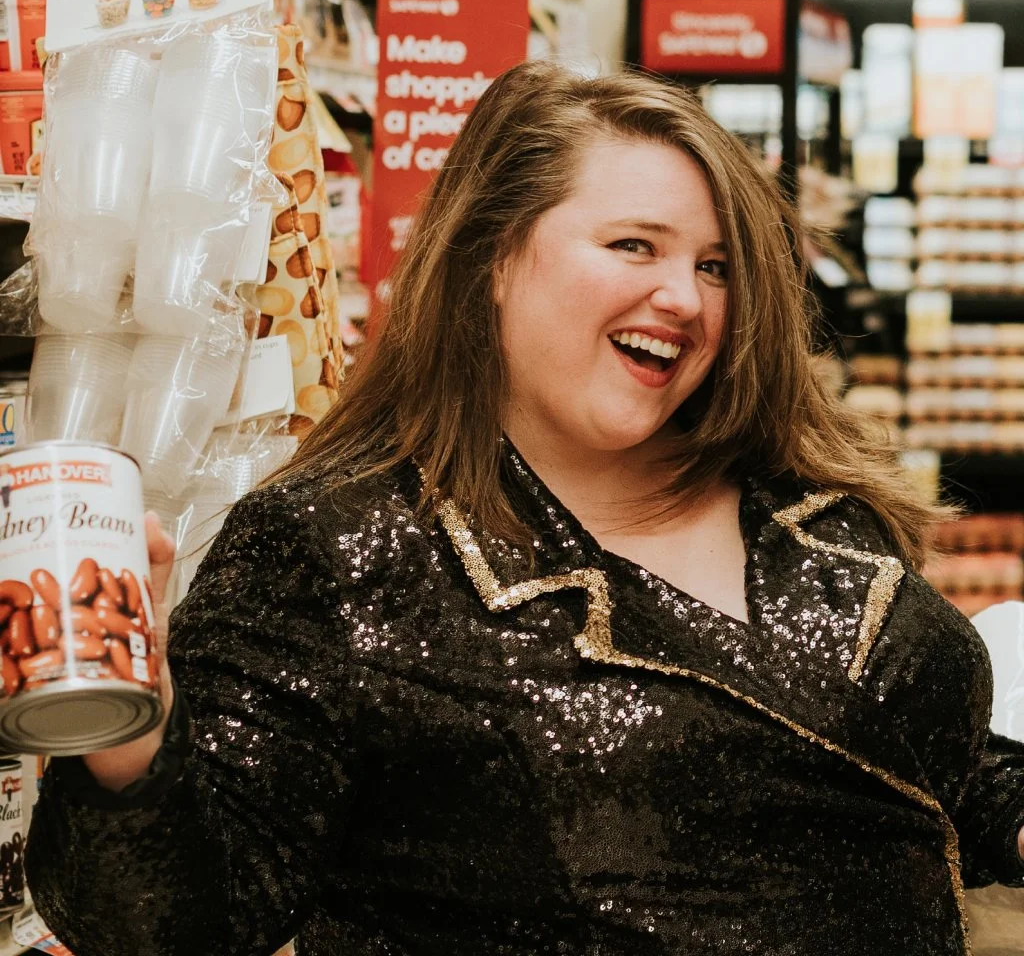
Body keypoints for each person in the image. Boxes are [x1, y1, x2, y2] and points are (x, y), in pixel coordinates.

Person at [25, 60, 1024, 956]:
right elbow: (178, 919)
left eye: (714, 265)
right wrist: (126, 731)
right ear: (493, 259)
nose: (684, 295)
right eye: (636, 245)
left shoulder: (805, 507)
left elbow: (917, 758)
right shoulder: (340, 549)